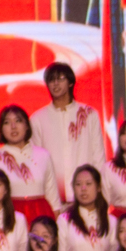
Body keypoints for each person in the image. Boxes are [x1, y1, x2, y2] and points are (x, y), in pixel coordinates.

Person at [36, 62, 109, 207]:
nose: (55, 83)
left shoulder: (88, 114)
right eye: (51, 80)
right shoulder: (38, 118)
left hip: (86, 197)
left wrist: (100, 194)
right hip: (53, 199)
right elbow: (37, 162)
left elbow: (98, 155)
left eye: (60, 79)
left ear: (70, 82)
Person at [0, 105, 54, 220]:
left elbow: (53, 197)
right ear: (1, 129)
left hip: (41, 214)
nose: (13, 126)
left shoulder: (43, 155)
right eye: (7, 122)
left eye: (18, 121)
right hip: (9, 216)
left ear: (27, 126)